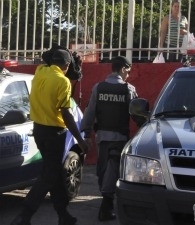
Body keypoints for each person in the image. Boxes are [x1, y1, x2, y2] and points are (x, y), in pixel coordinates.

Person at [10, 49, 90, 225]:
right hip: (55, 133)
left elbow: (48, 58)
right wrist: (81, 139)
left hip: (38, 131)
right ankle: (24, 215)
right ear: (67, 66)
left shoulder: (40, 71)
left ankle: (63, 215)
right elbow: (66, 113)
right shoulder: (63, 81)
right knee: (48, 176)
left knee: (52, 173)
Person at [80, 56, 140, 222]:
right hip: (119, 137)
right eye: (128, 71)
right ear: (122, 69)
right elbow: (137, 114)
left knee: (103, 168)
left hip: (101, 138)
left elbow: (89, 112)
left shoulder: (98, 87)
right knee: (112, 169)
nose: (128, 74)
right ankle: (106, 206)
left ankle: (106, 203)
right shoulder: (128, 89)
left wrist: (86, 134)